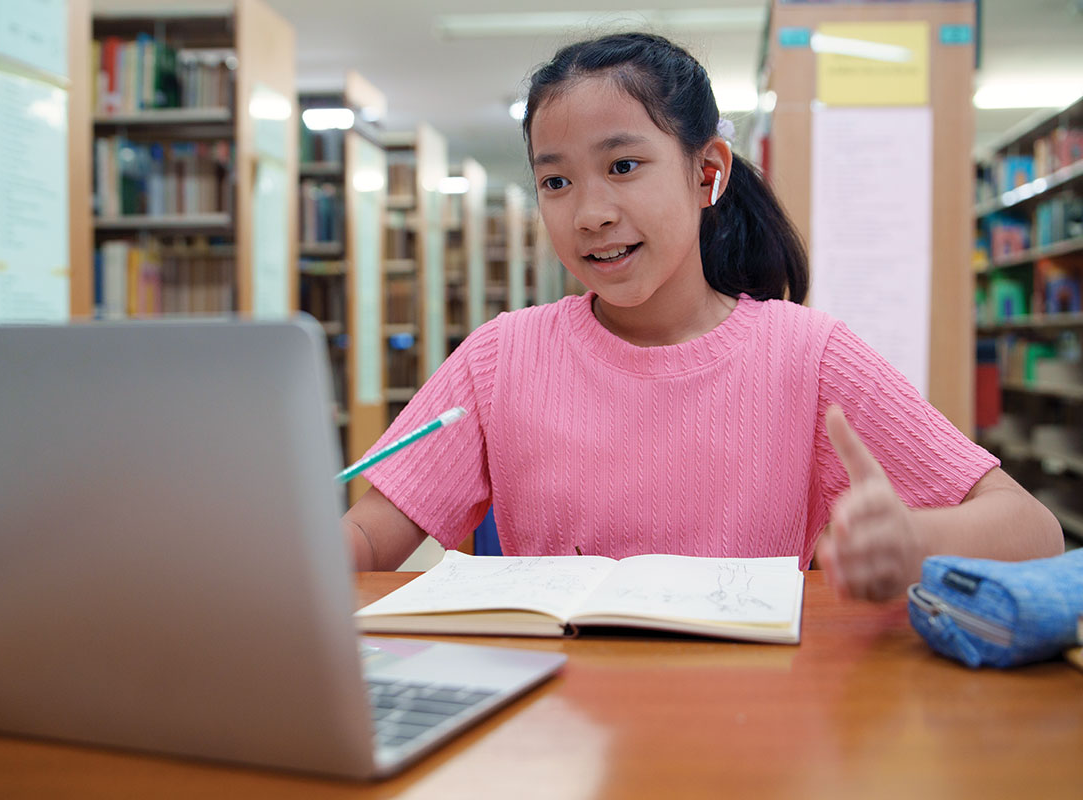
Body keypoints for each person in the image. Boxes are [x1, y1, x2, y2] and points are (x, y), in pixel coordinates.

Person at [341, 31, 1063, 601]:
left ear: (706, 171)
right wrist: (292, 548)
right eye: (556, 180)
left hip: (751, 729)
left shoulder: (807, 356)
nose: (590, 213)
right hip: (553, 736)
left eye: (623, 166)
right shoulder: (499, 357)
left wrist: (913, 540)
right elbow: (373, 536)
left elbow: (1034, 532)